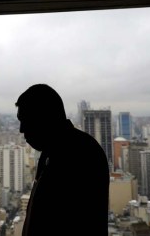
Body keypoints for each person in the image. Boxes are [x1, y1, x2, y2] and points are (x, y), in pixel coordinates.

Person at [15, 83, 110, 235]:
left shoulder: (80, 154)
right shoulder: (52, 151)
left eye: (25, 120)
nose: (21, 129)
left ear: (42, 117)